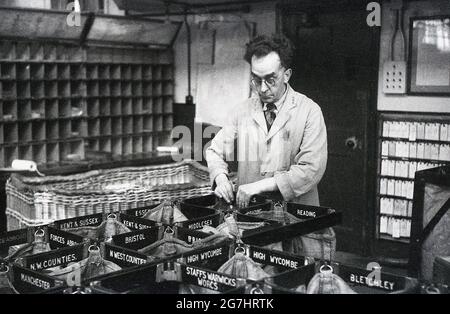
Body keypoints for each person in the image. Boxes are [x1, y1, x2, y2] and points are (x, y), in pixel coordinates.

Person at [205, 34, 335, 260]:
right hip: (252, 223)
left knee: (296, 280)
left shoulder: (309, 111)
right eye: (256, 79)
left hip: (297, 221)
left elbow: (311, 170)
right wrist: (220, 178)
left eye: (270, 79)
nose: (262, 88)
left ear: (287, 74)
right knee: (255, 281)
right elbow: (214, 150)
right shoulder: (241, 111)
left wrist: (259, 186)